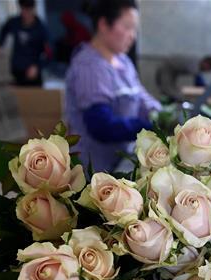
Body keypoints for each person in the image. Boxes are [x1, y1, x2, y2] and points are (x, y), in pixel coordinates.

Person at [65, 0, 161, 172]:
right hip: (94, 170)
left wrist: (163, 114)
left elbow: (141, 97)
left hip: (120, 161)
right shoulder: (89, 66)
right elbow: (101, 126)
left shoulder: (123, 61)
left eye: (134, 29)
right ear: (103, 24)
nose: (133, 36)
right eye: (127, 27)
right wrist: (146, 126)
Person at [0, 0, 51, 86]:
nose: (25, 14)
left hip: (33, 73)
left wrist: (38, 67)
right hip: (16, 71)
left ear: (33, 9)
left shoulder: (41, 29)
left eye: (28, 10)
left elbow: (49, 54)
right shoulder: (14, 22)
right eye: (23, 10)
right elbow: (4, 29)